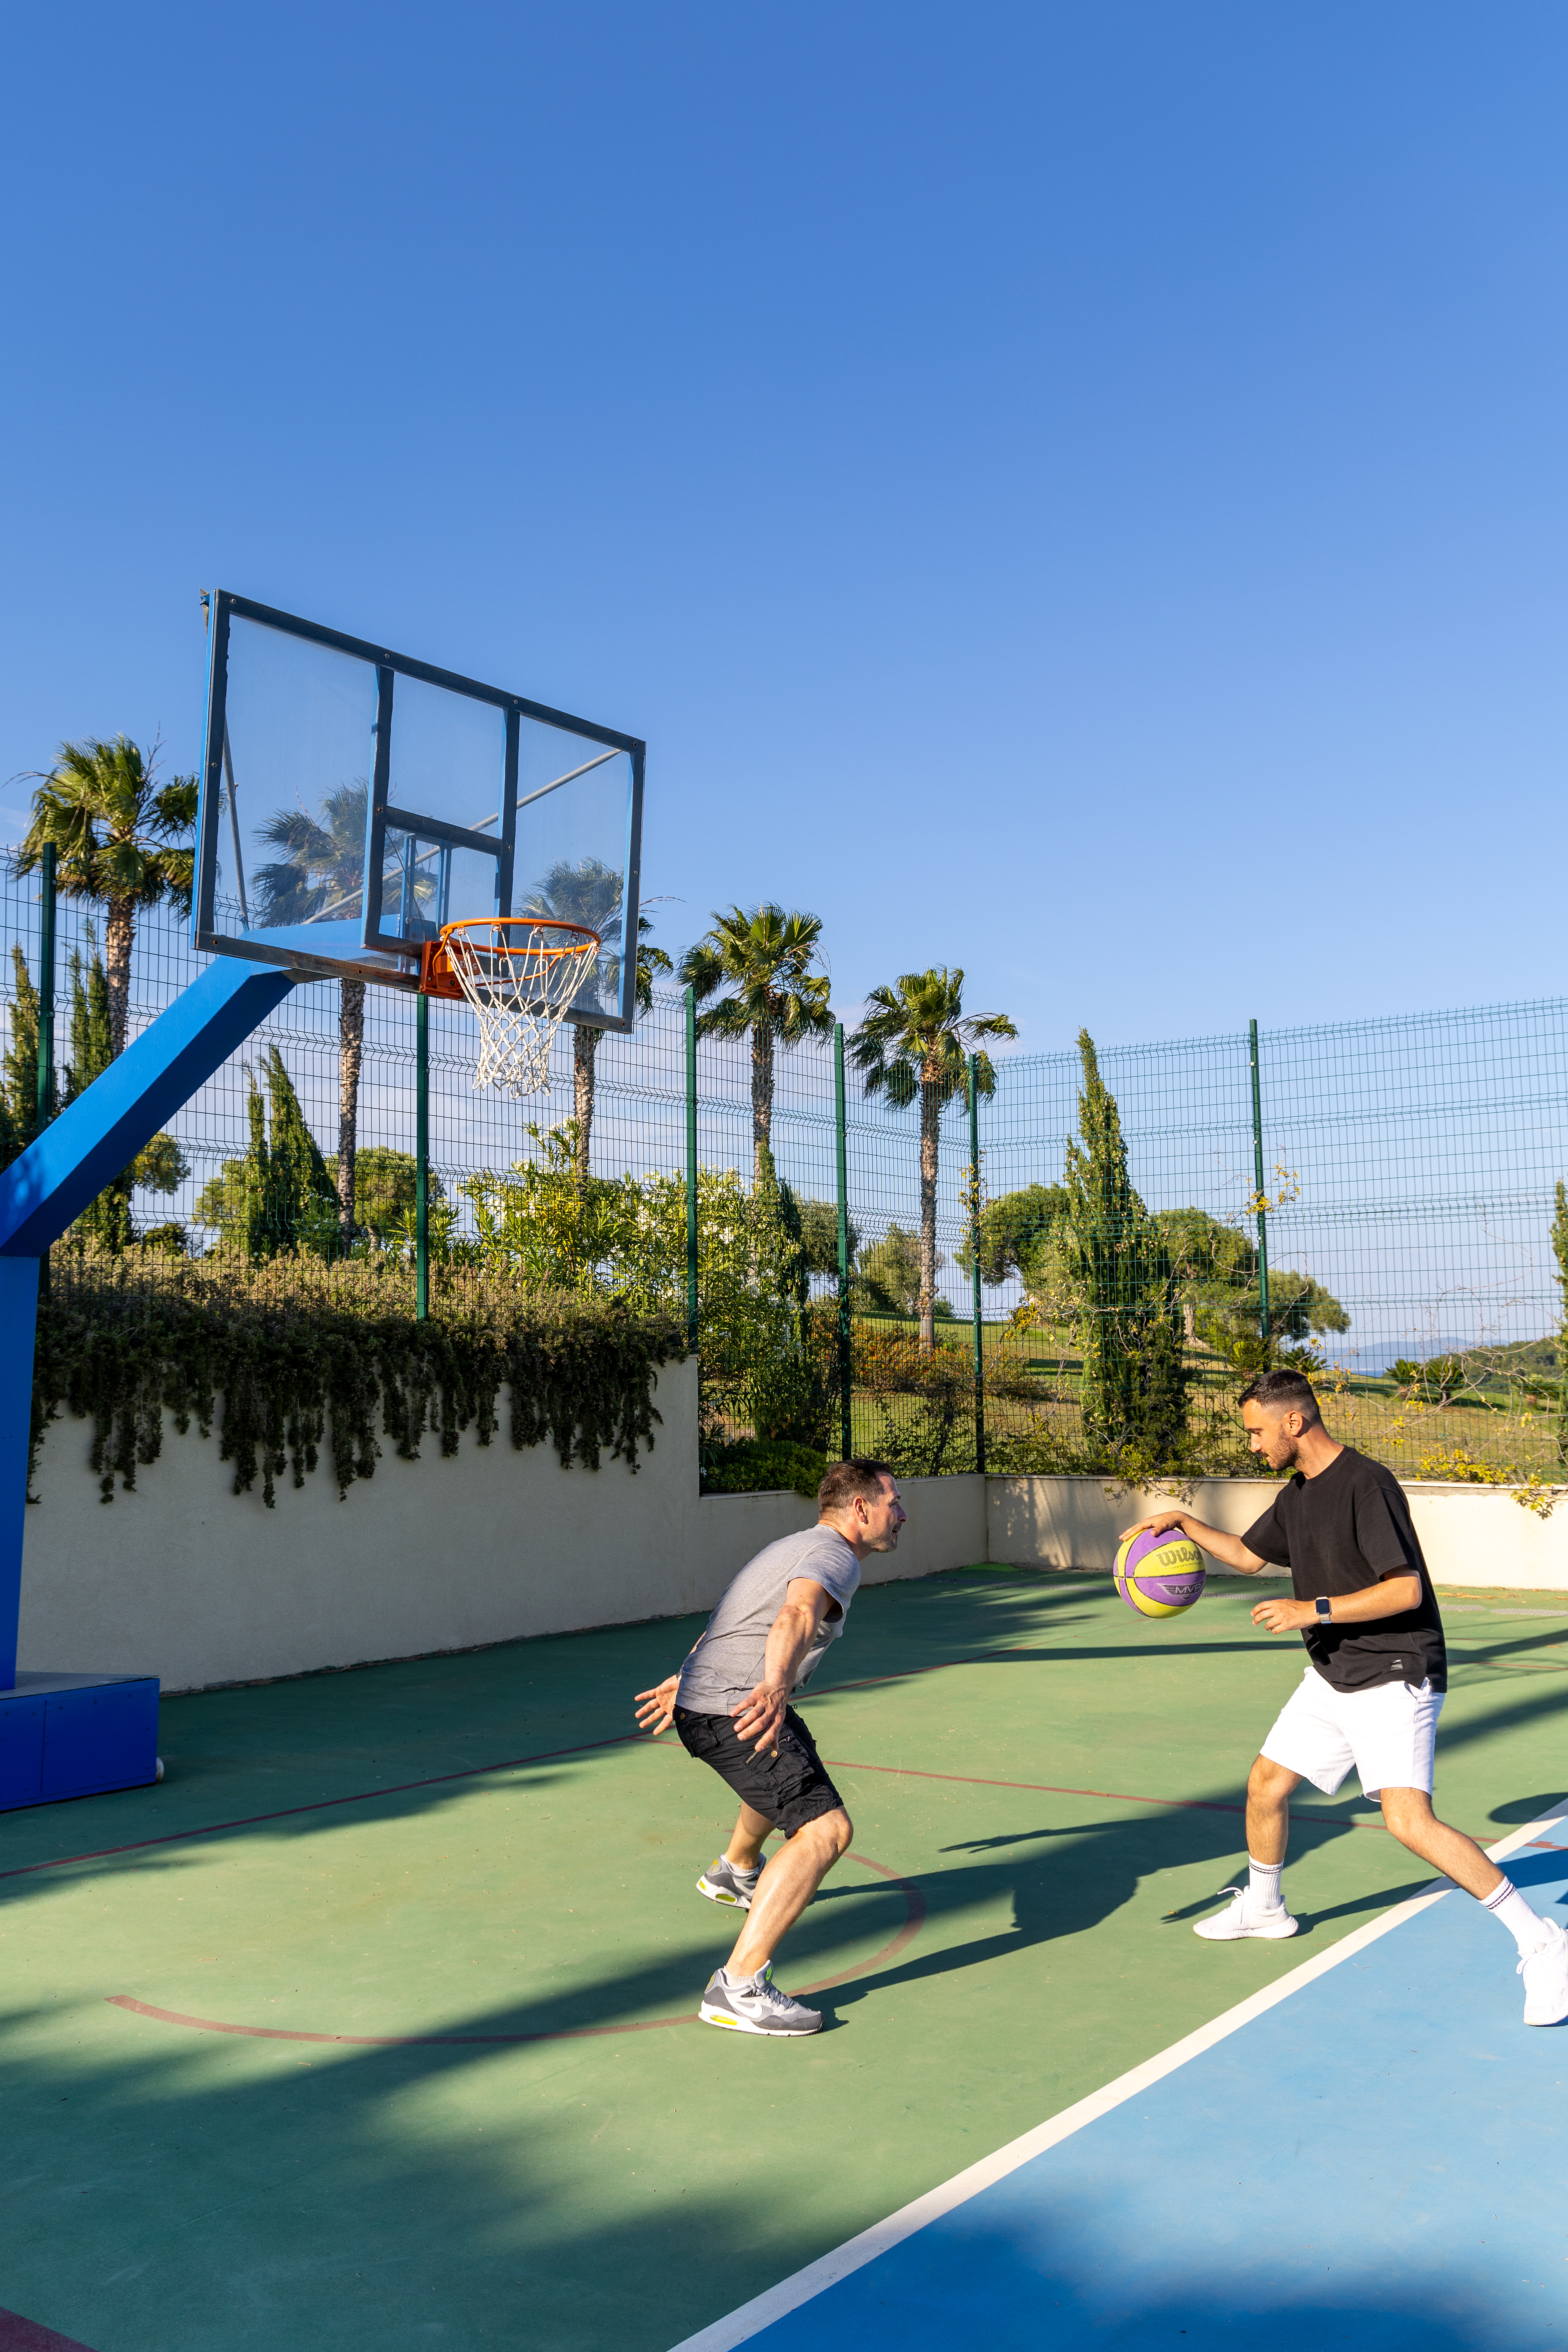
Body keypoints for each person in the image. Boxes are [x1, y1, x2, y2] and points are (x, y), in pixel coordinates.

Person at [1121, 1367, 1568, 2027]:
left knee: (1408, 1822)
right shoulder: (1299, 1494)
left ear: (1294, 1421)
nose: (1252, 1445)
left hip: (1395, 1671)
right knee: (1266, 1785)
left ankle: (1543, 1942)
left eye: (1257, 1432)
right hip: (1335, 1674)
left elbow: (1406, 1590)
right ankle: (1265, 1907)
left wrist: (1312, 1610)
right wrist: (1185, 1524)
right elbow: (1247, 1557)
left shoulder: (1367, 1484)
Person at [634, 1458, 906, 2037]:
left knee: (790, 1752)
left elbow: (733, 1619)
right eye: (894, 1502)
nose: (902, 1514)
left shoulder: (793, 1546)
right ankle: (738, 1987)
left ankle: (736, 1871)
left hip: (707, 1702)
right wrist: (776, 1685)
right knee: (827, 1831)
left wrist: (687, 1676)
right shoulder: (835, 1557)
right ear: (861, 1509)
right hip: (732, 1709)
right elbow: (795, 1613)